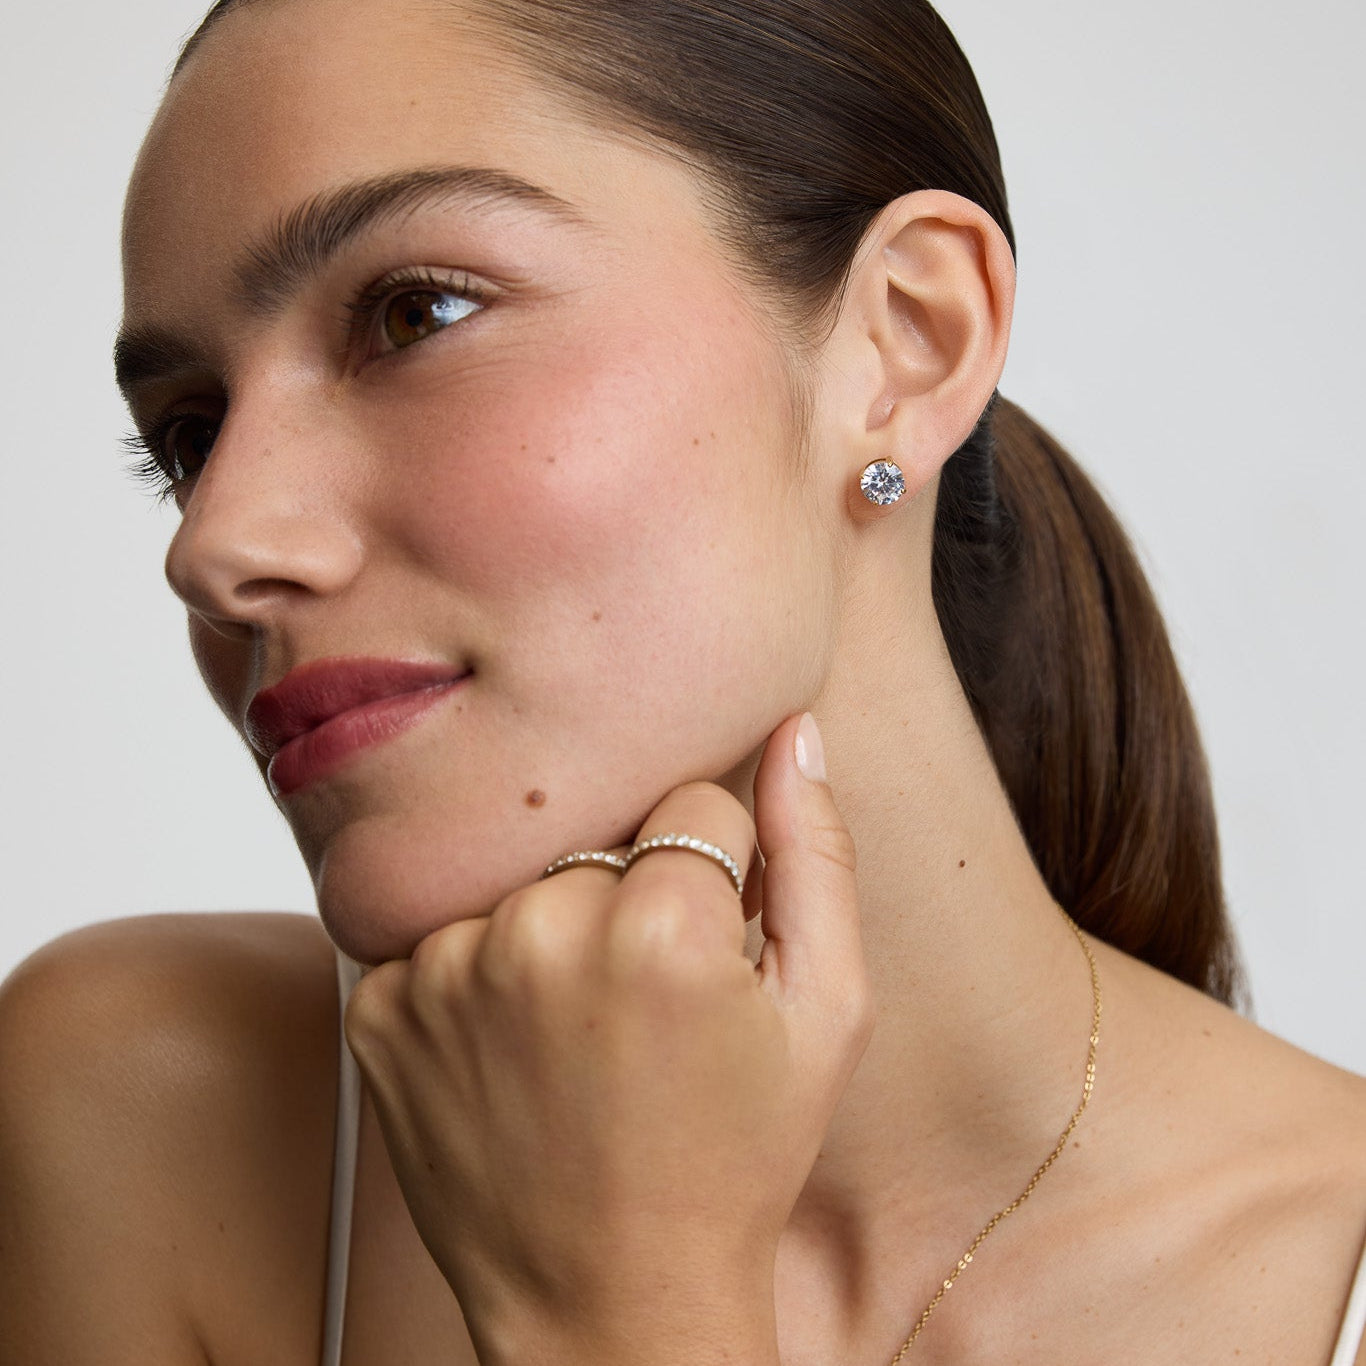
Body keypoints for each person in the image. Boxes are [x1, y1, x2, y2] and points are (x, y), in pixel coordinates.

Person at [1, 0, 1363, 1361]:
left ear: (904, 342)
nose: (215, 543)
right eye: (188, 435)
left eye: (415, 313)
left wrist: (617, 1319)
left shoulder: (1326, 1276)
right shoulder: (146, 1116)